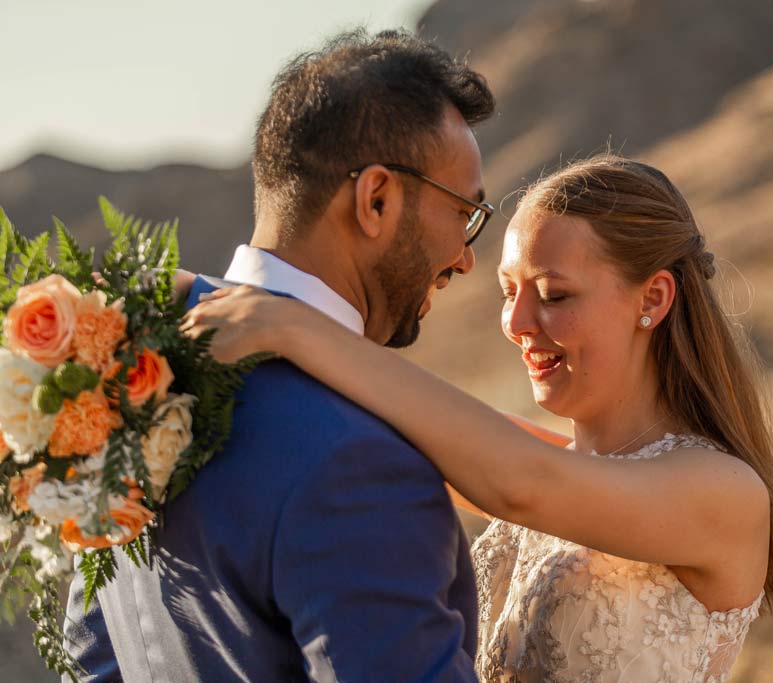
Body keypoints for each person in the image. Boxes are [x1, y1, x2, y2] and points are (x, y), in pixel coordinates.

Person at [183, 154, 773, 682]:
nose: (517, 326)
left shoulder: (724, 493)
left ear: (651, 298)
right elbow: (406, 431)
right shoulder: (568, 467)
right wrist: (178, 299)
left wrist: (298, 329)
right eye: (509, 293)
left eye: (553, 295)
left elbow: (519, 481)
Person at [62, 29, 496, 683]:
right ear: (375, 200)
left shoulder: (129, 367)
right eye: (464, 213)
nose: (466, 255)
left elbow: (96, 658)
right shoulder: (360, 463)